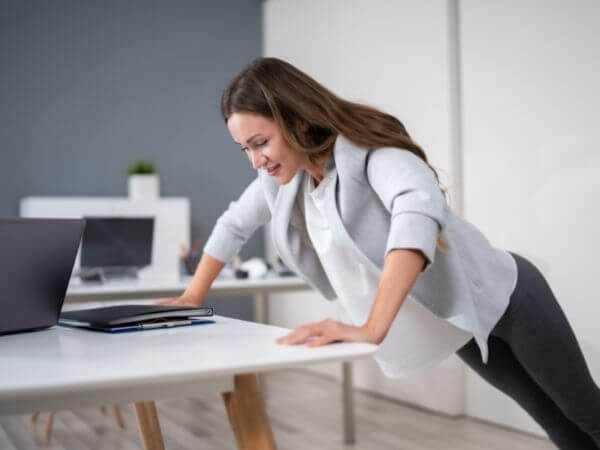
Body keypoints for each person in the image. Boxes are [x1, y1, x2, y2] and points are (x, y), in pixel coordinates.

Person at [159, 57, 600, 449]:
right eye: (245, 149)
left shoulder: (371, 154)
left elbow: (416, 214)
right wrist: (193, 296)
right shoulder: (283, 183)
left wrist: (372, 327)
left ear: (295, 119)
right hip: (458, 320)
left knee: (588, 416)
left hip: (512, 298)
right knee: (557, 425)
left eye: (260, 142)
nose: (255, 160)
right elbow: (233, 224)